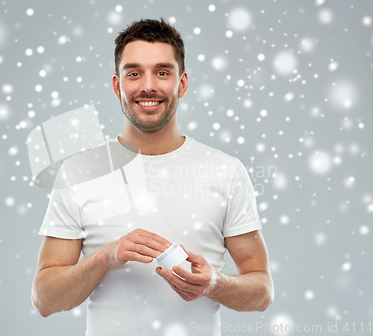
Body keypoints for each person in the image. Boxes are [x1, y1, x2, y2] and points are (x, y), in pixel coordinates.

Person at [31, 18, 274, 335]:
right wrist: (105, 256)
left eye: (162, 72)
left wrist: (216, 283)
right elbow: (44, 299)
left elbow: (262, 291)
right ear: (118, 85)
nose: (148, 86)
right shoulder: (81, 171)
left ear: (182, 83)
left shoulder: (226, 171)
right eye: (134, 73)